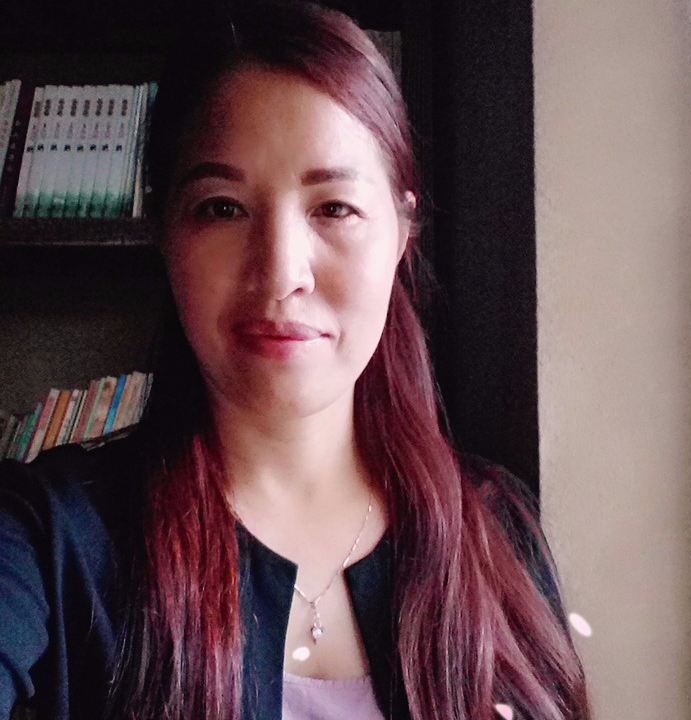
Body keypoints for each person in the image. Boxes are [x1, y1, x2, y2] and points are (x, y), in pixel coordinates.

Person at [0, 2, 590, 719]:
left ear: (402, 231)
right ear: (167, 233)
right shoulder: (46, 537)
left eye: (334, 208)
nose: (281, 274)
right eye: (223, 208)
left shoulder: (497, 532)